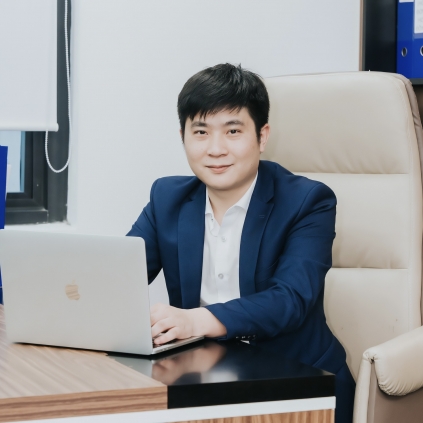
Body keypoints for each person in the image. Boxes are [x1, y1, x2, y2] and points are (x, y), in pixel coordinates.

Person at [127, 63, 355, 422]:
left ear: (262, 136)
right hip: (204, 378)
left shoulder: (308, 201)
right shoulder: (167, 198)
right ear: (183, 136)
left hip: (300, 383)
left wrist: (198, 320)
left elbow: (290, 300)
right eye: (201, 132)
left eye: (233, 131)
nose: (215, 149)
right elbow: (120, 277)